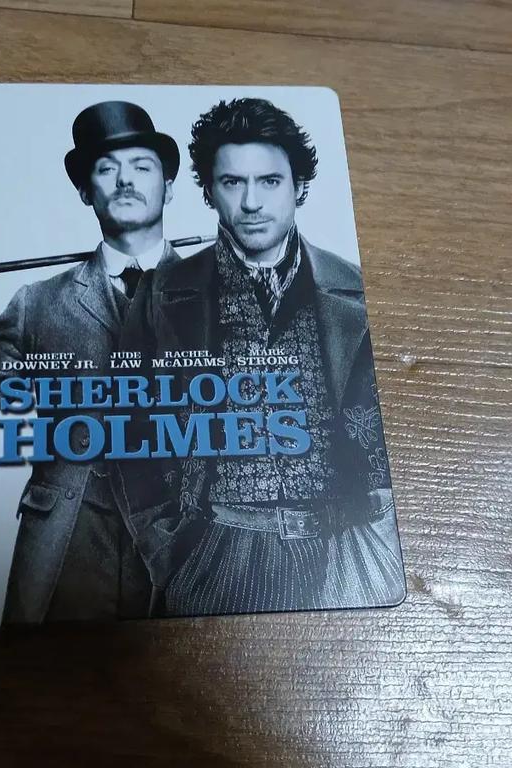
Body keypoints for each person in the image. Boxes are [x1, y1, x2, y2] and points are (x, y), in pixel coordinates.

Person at [113, 97, 405, 617]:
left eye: (270, 181)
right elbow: (130, 430)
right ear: (209, 191)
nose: (251, 202)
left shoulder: (355, 289)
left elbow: (390, 425)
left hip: (349, 550)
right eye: (232, 182)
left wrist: (385, 531)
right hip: (219, 553)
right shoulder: (162, 294)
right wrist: (167, 551)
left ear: (300, 187)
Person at [0, 101, 181, 623]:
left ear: (168, 187)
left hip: (182, 550)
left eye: (142, 166)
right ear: (85, 191)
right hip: (69, 548)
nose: (125, 180)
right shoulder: (37, 304)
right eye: (106, 168)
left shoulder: (219, 292)